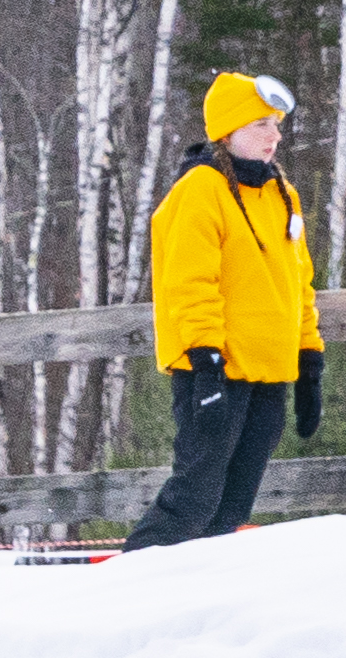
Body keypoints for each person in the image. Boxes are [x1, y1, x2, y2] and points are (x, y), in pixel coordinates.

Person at [126, 70, 320, 549]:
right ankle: (129, 585)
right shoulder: (200, 191)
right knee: (194, 496)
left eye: (276, 124)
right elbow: (190, 283)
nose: (275, 136)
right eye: (261, 125)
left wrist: (309, 361)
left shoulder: (281, 193)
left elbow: (299, 283)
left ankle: (199, 602)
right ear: (229, 131)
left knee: (234, 504)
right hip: (216, 371)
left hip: (270, 372)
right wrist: (206, 364)